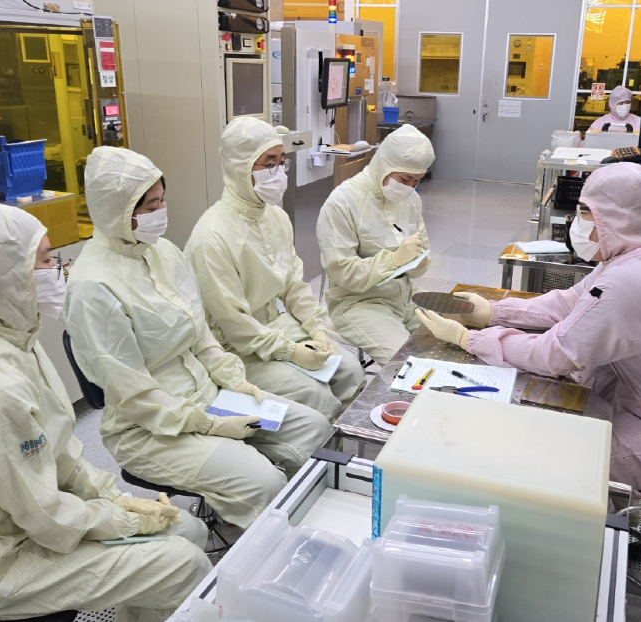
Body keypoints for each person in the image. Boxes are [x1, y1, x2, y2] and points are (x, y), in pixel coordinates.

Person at [0, 204, 212, 622]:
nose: (58, 270)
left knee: (189, 529)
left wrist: (114, 498)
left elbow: (57, 453)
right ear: (6, 275)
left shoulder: (12, 336)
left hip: (29, 519)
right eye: (44, 260)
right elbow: (42, 516)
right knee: (183, 565)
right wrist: (124, 522)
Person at [416, 163, 641, 493]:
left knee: (548, 456)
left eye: (586, 213)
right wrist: (493, 311)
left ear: (618, 219)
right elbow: (567, 303)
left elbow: (551, 356)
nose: (577, 222)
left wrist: (469, 339)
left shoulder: (634, 279)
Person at [63, 146, 333, 529]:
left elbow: (200, 332)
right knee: (265, 482)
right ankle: (273, 544)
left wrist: (234, 380)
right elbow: (134, 396)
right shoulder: (93, 287)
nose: (162, 211)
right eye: (151, 205)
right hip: (151, 429)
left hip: (211, 396)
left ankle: (312, 520)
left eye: (162, 200)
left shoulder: (163, 252)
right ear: (116, 210)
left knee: (313, 427)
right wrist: (210, 425)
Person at [185, 117, 365, 420]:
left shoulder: (276, 217)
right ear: (240, 168)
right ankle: (323, 447)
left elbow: (294, 285)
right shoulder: (212, 236)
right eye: (269, 163)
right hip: (237, 348)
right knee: (317, 396)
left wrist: (316, 328)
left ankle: (346, 443)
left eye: (282, 162)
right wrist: (291, 352)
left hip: (277, 327)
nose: (279, 173)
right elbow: (234, 323)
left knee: (350, 371)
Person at [317, 124, 435, 365]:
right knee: (406, 364)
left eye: (417, 180)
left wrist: (418, 261)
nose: (410, 187)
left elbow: (420, 256)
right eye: (405, 178)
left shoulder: (411, 200)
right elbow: (343, 272)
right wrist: (393, 260)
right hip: (358, 303)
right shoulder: (343, 202)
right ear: (384, 164)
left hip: (405, 297)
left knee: (454, 342)